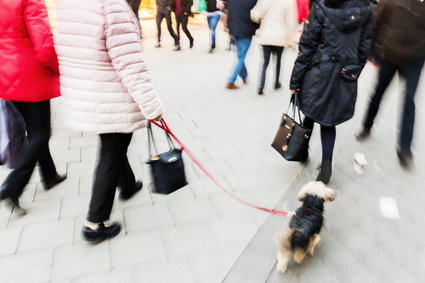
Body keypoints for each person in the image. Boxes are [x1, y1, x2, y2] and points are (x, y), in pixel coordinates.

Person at [55, 0, 164, 242]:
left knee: (114, 143)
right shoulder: (112, 6)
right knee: (112, 151)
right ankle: (94, 223)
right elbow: (130, 64)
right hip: (111, 93)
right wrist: (152, 106)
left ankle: (127, 185)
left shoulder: (69, 4)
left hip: (87, 90)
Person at [289, 0, 373, 184]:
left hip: (319, 70)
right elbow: (364, 48)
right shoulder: (365, 10)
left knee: (310, 110)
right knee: (329, 119)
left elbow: (308, 45)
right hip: (344, 73)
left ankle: (301, 151)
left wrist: (295, 80)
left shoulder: (322, 5)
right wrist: (353, 71)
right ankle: (326, 165)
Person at [0, 0, 66, 213]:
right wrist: (58, 68)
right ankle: (13, 186)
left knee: (34, 130)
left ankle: (50, 175)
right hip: (29, 74)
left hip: (6, 71)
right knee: (40, 133)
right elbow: (44, 44)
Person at [356, 0, 425, 168]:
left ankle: (405, 150)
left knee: (409, 100)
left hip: (414, 60)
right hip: (390, 55)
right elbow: (376, 22)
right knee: (379, 92)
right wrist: (371, 51)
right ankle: (367, 125)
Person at [251, 0, 298, 95]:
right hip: (280, 35)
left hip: (266, 34)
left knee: (264, 62)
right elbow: (290, 22)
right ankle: (276, 83)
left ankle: (261, 86)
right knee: (278, 61)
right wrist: (290, 39)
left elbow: (255, 15)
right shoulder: (288, 2)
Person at [226, 0, 259, 89]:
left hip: (234, 30)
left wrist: (229, 29)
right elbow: (256, 16)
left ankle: (244, 76)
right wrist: (256, 28)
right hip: (246, 31)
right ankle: (231, 81)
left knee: (240, 56)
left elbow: (229, 14)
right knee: (241, 57)